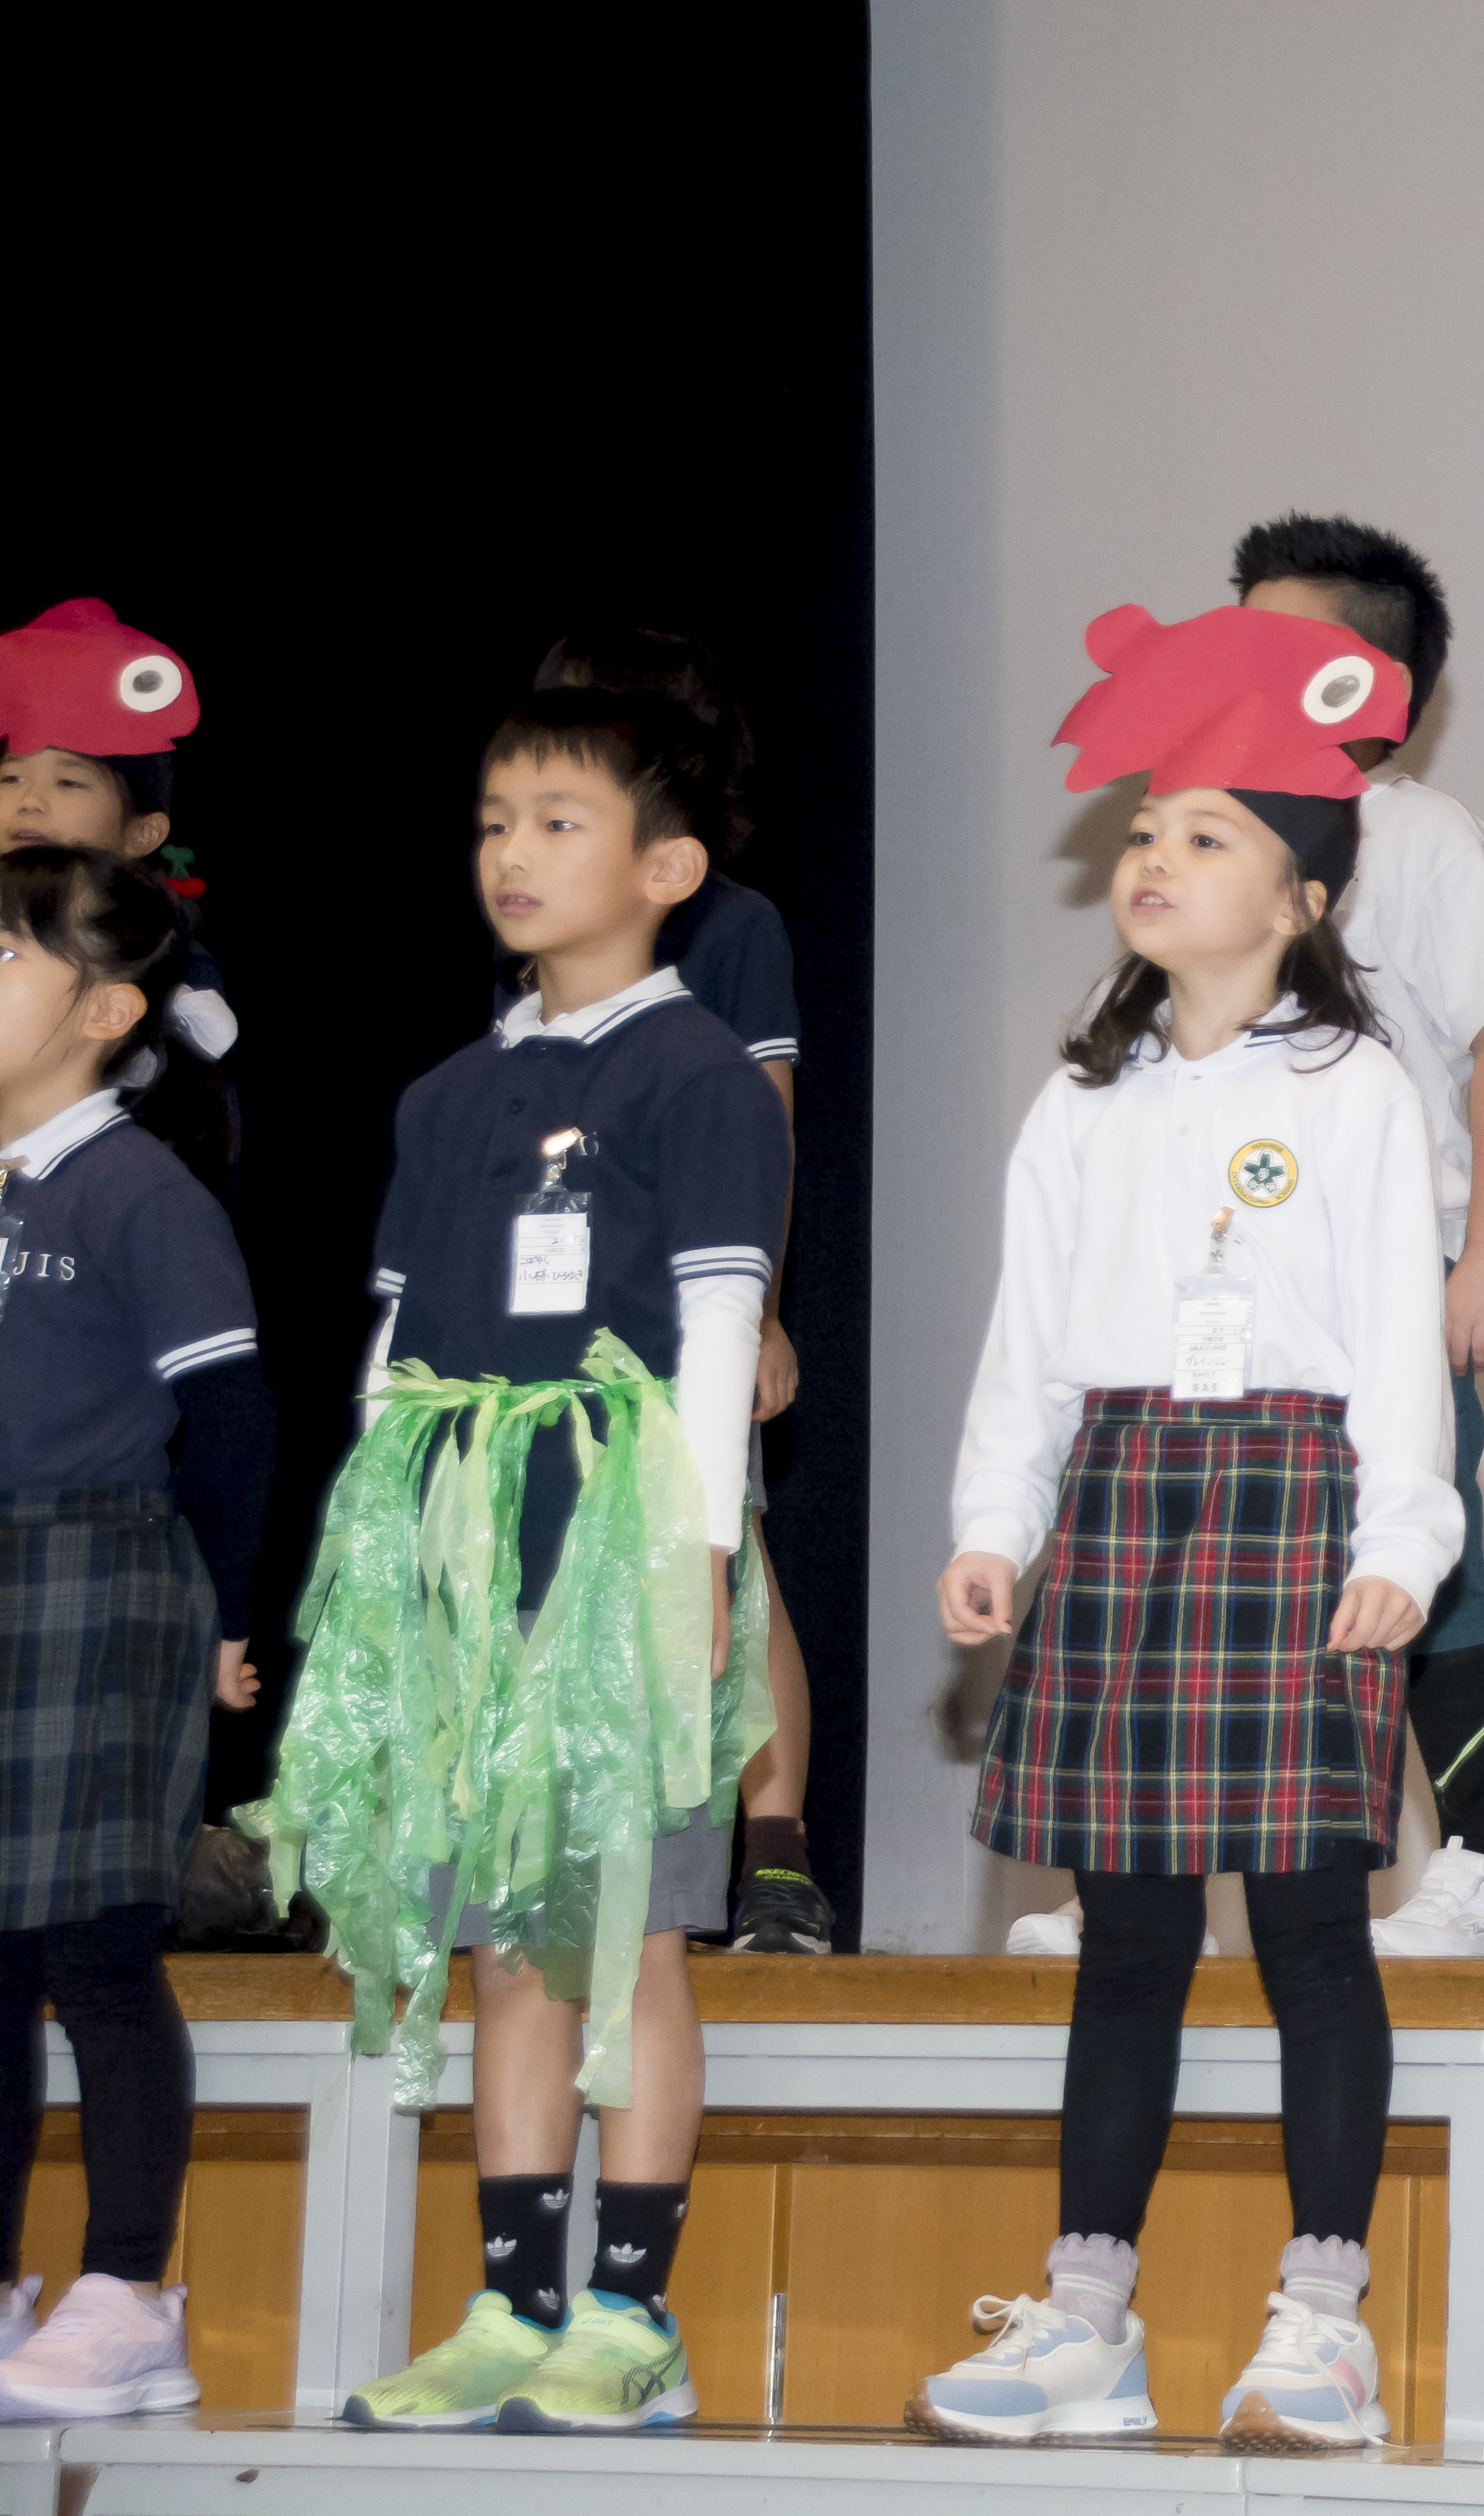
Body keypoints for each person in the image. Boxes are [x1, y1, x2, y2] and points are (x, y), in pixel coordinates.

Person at [917, 601, 1456, 2448]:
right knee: (1127, 1934)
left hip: (1295, 1501)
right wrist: (998, 1516)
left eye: (1206, 834)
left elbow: (1397, 1336)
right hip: (1127, 1498)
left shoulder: (1354, 1089)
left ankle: (1322, 2318)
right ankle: (1087, 2311)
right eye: (1145, 829)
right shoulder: (1088, 1097)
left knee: (1312, 1928)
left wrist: (1403, 1539)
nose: (1154, 856)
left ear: (1303, 895)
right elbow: (1029, 1338)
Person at [257, 686, 788, 2433]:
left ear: (668, 866)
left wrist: (695, 1560)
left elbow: (720, 1330)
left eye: (562, 821)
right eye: (496, 821)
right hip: (466, 1564)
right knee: (502, 1945)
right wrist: (380, 1576)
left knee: (624, 1933)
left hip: (617, 1543)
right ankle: (513, 2299)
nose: (515, 853)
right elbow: (394, 1352)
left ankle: (629, 2314)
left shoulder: (702, 1074)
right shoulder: (447, 1094)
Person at [1232, 516, 1484, 1959]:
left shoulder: (1420, 837)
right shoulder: (1225, 837)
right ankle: (1172, 1875)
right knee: (1248, 1560)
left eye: (1278, 643)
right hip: (1258, 1281)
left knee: (1434, 1553)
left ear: (1371, 682)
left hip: (1400, 1268)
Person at [0, 844, 267, 2420]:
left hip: (96, 1573)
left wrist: (228, 1613)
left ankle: (123, 2289)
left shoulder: (138, 1189)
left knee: (98, 1947)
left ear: (105, 1011)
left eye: (5, 956)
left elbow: (229, 1419)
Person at [529, 626, 829, 1956]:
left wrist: (757, 1308)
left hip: (685, 1301)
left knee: (729, 1551)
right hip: (556, 1310)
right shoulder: (537, 921)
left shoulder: (732, 924)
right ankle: (567, 1846)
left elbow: (768, 1119)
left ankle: (777, 1855)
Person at [0, 604, 238, 1181]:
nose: (30, 801)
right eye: (10, 778)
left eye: (68, 782)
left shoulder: (147, 937)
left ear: (143, 833)